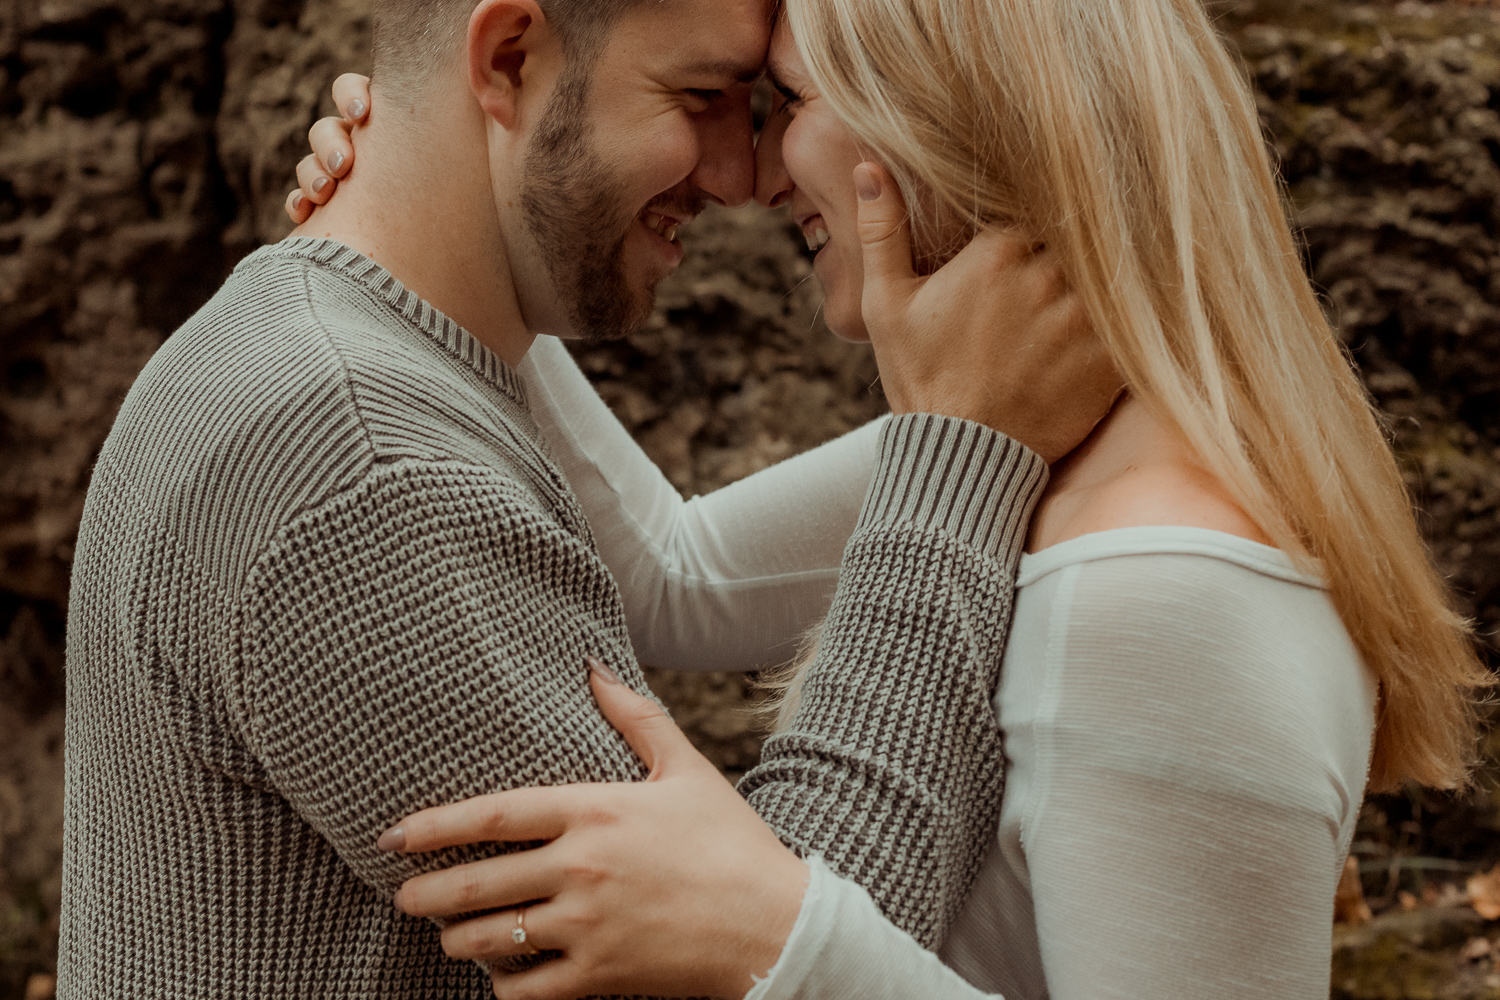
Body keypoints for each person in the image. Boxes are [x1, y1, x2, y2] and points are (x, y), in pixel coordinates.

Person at [298, 0, 1489, 998]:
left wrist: (779, 932)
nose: (757, 177)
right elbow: (676, 574)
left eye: (792, 104)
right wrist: (438, 221)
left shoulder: (1163, 590)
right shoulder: (1034, 445)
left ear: (955, 119)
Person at [58, 0, 1116, 998]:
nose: (742, 173)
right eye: (703, 97)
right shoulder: (365, 463)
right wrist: (967, 447)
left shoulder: (336, 361)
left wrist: (414, 181)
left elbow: (680, 578)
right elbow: (774, 956)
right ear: (510, 55)